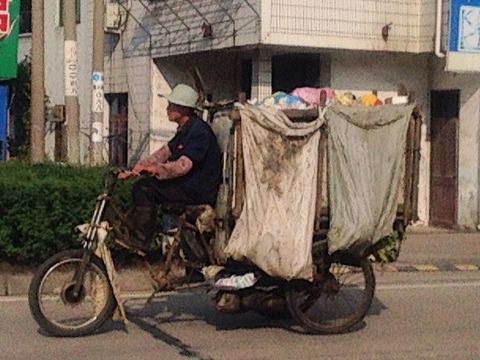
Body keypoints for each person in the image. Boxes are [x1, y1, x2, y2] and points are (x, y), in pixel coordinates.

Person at [114, 84, 222, 256]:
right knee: (141, 184)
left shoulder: (199, 131)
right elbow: (165, 152)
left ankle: (140, 241)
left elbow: (183, 166)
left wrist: (156, 170)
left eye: (171, 105)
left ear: (183, 108)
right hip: (187, 185)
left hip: (197, 190)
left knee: (144, 189)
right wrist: (138, 167)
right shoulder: (186, 129)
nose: (167, 108)